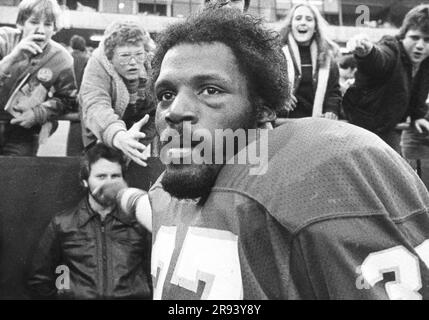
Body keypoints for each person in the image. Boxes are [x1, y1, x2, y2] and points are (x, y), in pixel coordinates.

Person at [96, 8, 429, 300]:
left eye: (210, 90)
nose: (174, 111)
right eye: (166, 94)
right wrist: (120, 194)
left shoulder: (314, 174)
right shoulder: (172, 187)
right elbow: (152, 211)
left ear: (264, 108)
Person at [27, 143, 152, 299]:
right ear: (85, 181)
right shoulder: (63, 223)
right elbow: (40, 279)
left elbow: (154, 274)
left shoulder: (139, 222)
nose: (109, 184)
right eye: (101, 176)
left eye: (115, 176)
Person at [343, 4, 429, 153]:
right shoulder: (392, 48)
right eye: (415, 37)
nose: (420, 45)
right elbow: (379, 58)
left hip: (387, 128)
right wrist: (367, 51)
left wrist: (418, 116)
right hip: (360, 127)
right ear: (403, 36)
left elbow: (418, 94)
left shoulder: (425, 63)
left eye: (427, 40)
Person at [0, 0, 77, 156]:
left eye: (48, 24)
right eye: (34, 22)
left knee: (16, 175)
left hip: (22, 129)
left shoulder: (62, 59)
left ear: (55, 28)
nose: (40, 30)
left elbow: (67, 99)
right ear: (21, 23)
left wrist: (38, 113)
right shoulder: (3, 40)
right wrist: (12, 58)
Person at [79, 21, 156, 166]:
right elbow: (96, 104)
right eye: (125, 56)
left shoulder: (152, 62)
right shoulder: (97, 63)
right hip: (98, 129)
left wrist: (137, 142)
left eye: (139, 54)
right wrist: (118, 136)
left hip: (135, 128)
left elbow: (156, 110)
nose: (133, 62)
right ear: (110, 57)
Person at [278, 3, 341, 121]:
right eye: (298, 18)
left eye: (309, 19)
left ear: (316, 27)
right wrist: (279, 96)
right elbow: (264, 85)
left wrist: (331, 109)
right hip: (283, 122)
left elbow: (334, 91)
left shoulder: (327, 57)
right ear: (291, 24)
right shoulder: (276, 52)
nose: (303, 22)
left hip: (316, 125)